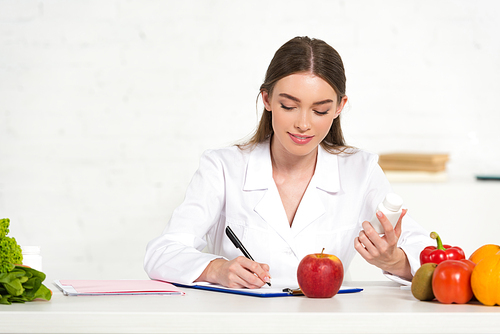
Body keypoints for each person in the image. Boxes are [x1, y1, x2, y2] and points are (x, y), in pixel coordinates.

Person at [144, 36, 432, 289]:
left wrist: (394, 261)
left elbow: (427, 255)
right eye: (289, 106)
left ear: (339, 108)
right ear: (267, 99)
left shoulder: (361, 170)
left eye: (320, 110)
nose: (303, 124)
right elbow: (163, 252)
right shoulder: (222, 167)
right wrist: (216, 269)